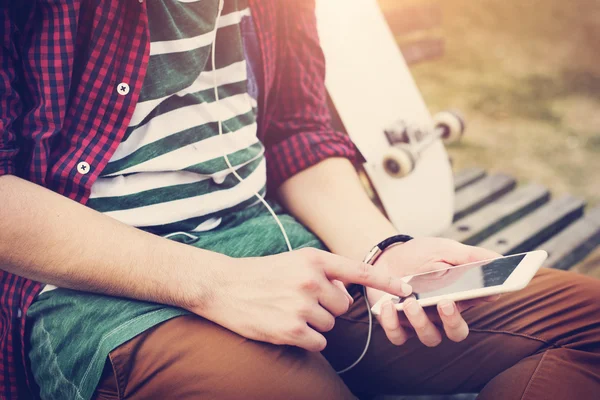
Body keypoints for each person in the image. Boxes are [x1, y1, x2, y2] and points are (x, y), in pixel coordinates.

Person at [1, 0, 598, 399]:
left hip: (278, 245)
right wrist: (217, 283)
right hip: (101, 286)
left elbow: (295, 130)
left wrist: (383, 247)